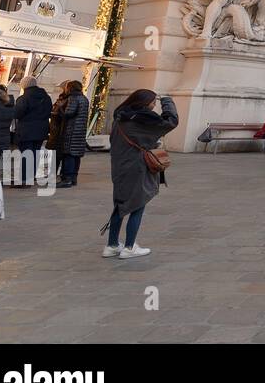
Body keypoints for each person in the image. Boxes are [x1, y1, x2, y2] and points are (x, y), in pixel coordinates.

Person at [104, 90, 178, 258]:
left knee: (120, 205)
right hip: (137, 168)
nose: (154, 105)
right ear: (145, 103)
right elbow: (171, 121)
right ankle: (130, 247)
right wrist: (167, 101)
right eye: (153, 102)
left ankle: (112, 245)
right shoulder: (144, 120)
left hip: (119, 166)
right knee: (138, 205)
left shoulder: (120, 117)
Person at [12, 76, 52, 188]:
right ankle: (30, 178)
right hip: (41, 130)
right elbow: (49, 112)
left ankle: (24, 180)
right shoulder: (46, 97)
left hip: (26, 131)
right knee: (35, 154)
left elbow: (17, 113)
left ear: (24, 85)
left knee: (26, 155)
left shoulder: (24, 98)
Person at [55, 80, 89, 188]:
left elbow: (68, 113)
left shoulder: (73, 98)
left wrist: (60, 107)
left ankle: (67, 179)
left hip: (71, 131)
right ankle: (74, 178)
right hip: (80, 131)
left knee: (68, 154)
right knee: (76, 155)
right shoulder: (84, 98)